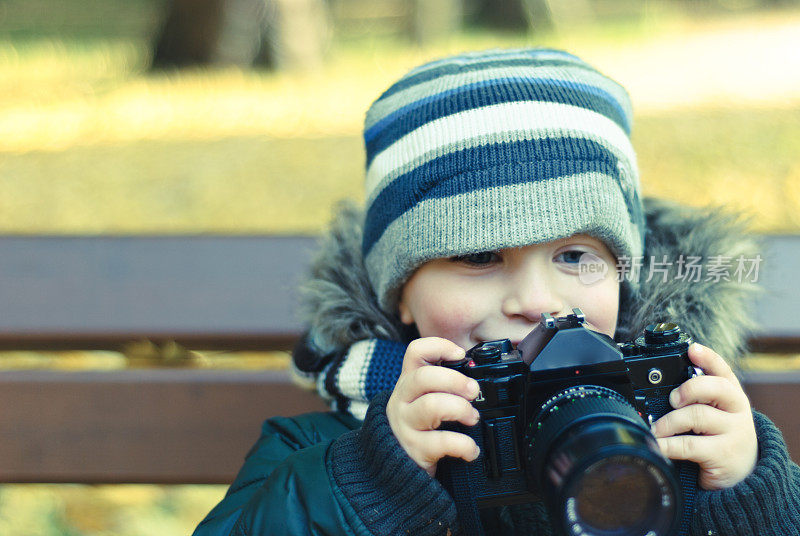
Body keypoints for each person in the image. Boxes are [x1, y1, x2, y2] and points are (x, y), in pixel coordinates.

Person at [194, 48, 800, 535]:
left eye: (573, 256)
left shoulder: (679, 424)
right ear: (400, 294)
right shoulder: (326, 447)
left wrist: (749, 495)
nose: (537, 300)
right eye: (480, 257)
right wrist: (375, 478)